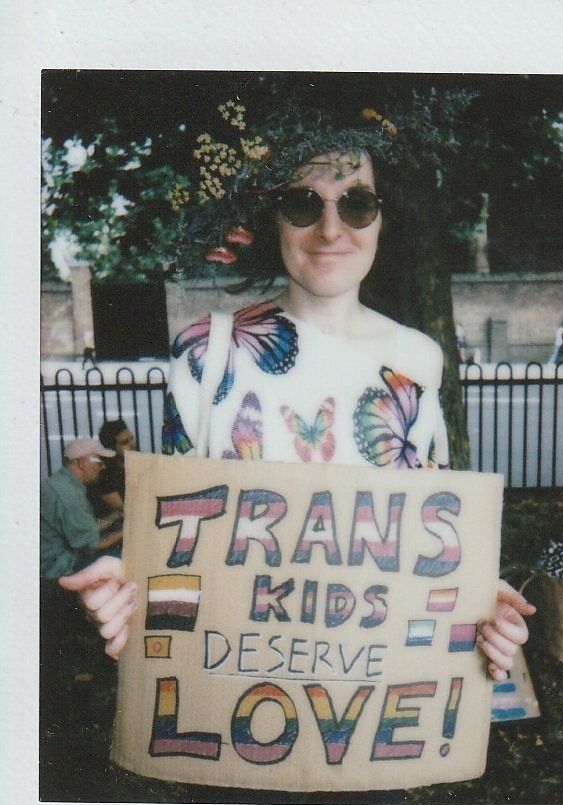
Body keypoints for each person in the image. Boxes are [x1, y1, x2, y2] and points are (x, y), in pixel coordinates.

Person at [60, 149, 534, 681]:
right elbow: (175, 536)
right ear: (274, 219)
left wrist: (478, 611)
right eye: (303, 204)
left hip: (371, 684)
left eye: (356, 204)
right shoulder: (208, 354)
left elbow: (428, 536)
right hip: (237, 678)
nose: (330, 229)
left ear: (381, 220)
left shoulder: (418, 360)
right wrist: (124, 592)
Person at [41, 436, 123, 581]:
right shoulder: (68, 494)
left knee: (116, 532)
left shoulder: (63, 484)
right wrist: (128, 531)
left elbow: (85, 529)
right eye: (98, 461)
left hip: (58, 557)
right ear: (80, 463)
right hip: (62, 567)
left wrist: (115, 515)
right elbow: (92, 545)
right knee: (128, 556)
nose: (102, 467)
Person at [88, 419, 136, 517]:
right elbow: (124, 509)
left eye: (132, 439)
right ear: (112, 448)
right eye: (125, 442)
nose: (132, 445)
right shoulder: (104, 474)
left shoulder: (136, 465)